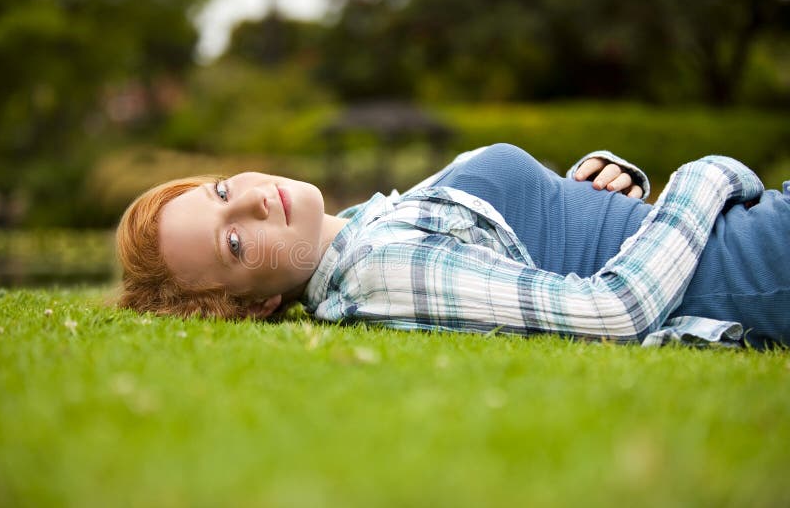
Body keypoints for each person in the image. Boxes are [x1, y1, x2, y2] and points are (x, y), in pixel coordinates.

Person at [116, 143, 789, 348]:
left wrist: (591, 186)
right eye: (235, 241)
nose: (257, 199)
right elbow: (616, 308)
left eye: (222, 188)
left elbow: (531, 234)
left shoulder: (374, 224)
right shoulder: (379, 267)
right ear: (259, 305)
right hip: (757, 263)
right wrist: (706, 175)